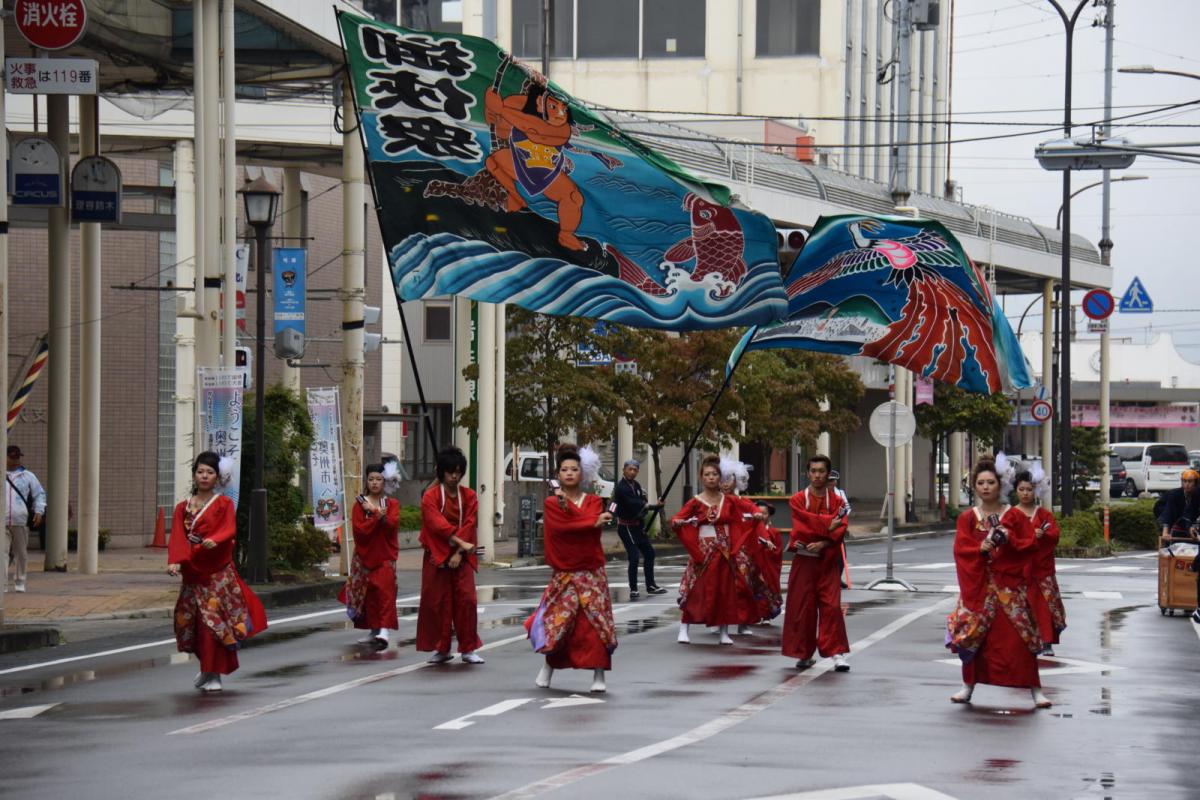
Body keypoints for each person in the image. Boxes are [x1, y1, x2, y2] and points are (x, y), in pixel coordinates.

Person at [946, 458, 1049, 709]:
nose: (985, 487)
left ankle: (1036, 690)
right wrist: (979, 547)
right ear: (974, 486)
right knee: (974, 639)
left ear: (1000, 484)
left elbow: (1030, 545)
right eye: (980, 483)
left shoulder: (1013, 515)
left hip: (1009, 587)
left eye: (990, 482)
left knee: (1020, 639)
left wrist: (1010, 539)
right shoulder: (968, 517)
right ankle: (968, 686)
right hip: (979, 587)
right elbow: (961, 548)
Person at [168, 451, 267, 692]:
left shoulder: (224, 504)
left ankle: (215, 674)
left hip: (217, 575)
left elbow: (228, 529)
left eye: (209, 472)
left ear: (217, 478)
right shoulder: (183, 507)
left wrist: (215, 539)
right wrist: (174, 561)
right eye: (200, 472)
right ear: (194, 475)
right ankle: (206, 669)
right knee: (192, 624)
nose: (204, 476)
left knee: (214, 625)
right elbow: (179, 538)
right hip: (193, 574)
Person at [525, 445, 616, 692]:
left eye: (574, 469)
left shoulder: (595, 501)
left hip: (590, 572)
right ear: (558, 473)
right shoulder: (553, 503)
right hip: (564, 572)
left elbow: (586, 526)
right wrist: (590, 522)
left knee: (595, 624)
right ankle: (548, 667)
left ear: (582, 473)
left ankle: (599, 675)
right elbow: (563, 528)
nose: (569, 473)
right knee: (558, 623)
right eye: (564, 469)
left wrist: (590, 521)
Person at [671, 455, 763, 645]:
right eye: (707, 474)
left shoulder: (728, 501)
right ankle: (684, 627)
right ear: (701, 478)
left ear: (720, 477)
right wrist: (678, 522)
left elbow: (749, 506)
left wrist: (756, 513)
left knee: (725, 590)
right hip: (703, 551)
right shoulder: (695, 502)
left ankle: (723, 631)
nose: (711, 477)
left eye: (714, 474)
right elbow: (678, 518)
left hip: (724, 551)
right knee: (696, 589)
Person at [783, 455, 851, 672]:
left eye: (821, 471)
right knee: (802, 608)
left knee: (831, 607)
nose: (817, 475)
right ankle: (803, 654)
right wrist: (828, 525)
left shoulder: (838, 502)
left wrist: (823, 541)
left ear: (828, 473)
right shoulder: (797, 499)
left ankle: (836, 652)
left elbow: (841, 528)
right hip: (804, 561)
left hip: (828, 560)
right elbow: (801, 527)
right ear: (807, 473)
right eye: (813, 471)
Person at [417, 446, 485, 664]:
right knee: (438, 603)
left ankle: (468, 648)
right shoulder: (431, 497)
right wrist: (459, 543)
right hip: (437, 556)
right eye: (449, 472)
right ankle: (442, 647)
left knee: (467, 601)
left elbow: (470, 524)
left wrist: (458, 552)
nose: (454, 476)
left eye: (457, 471)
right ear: (442, 472)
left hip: (461, 556)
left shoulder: (469, 496)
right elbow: (436, 525)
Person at [339, 463, 401, 649]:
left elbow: (392, 526)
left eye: (379, 479)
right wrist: (377, 517)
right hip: (365, 556)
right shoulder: (359, 504)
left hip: (384, 555)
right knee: (368, 595)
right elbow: (359, 531)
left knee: (385, 592)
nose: (374, 483)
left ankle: (384, 628)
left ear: (385, 482)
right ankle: (374, 629)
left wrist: (376, 514)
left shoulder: (392, 504)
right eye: (371, 479)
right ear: (367, 481)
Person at [1014, 469, 1066, 656]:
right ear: (1016, 491)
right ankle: (1023, 639)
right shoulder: (1011, 514)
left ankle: (1046, 640)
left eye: (1029, 489)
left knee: (1045, 605)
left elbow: (1055, 535)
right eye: (1022, 489)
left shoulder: (1044, 514)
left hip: (1041, 569)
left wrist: (1043, 535)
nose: (1026, 493)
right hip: (1018, 570)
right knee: (1020, 606)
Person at [613, 459, 665, 599]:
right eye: (629, 469)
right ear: (624, 470)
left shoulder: (636, 485)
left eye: (635, 470)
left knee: (649, 553)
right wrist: (653, 506)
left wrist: (650, 508)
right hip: (626, 526)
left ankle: (651, 585)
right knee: (634, 557)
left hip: (637, 526)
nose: (632, 472)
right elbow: (634, 504)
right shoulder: (621, 487)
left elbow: (642, 502)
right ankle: (634, 589)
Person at [5, 445, 45, 593]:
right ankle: (2, 584)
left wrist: (39, 511)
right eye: (12, 457)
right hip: (2, 521)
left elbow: (39, 494)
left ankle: (20, 581)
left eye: (18, 457)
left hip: (20, 520)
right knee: (2, 553)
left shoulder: (28, 476)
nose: (16, 461)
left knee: (21, 553)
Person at [1156, 469, 1200, 546]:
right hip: (1171, 520)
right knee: (1171, 544)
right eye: (1184, 481)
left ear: (1196, 483)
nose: (1187, 484)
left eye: (1190, 482)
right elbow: (1168, 513)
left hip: (1188, 522)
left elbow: (1191, 513)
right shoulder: (1174, 495)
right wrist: (1165, 532)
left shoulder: (1197, 494)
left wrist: (1191, 526)